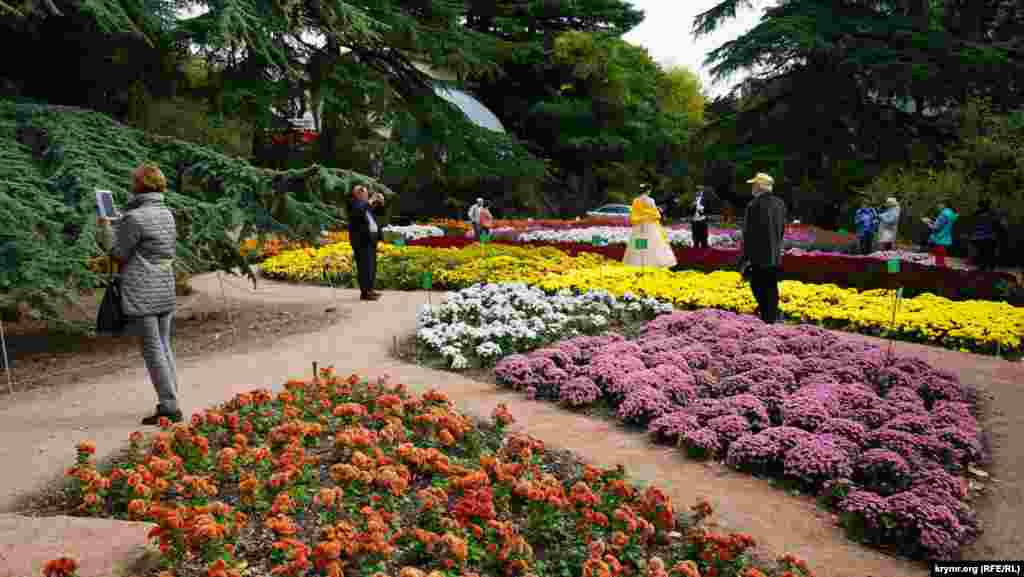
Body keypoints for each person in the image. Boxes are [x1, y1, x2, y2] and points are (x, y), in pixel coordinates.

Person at [97, 163, 181, 425]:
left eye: (134, 181)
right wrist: (122, 222)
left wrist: (106, 227)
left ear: (140, 186)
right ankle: (172, 398)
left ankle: (169, 407)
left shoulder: (134, 218)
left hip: (141, 291)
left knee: (152, 349)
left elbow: (117, 254)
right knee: (164, 345)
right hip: (164, 287)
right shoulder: (167, 214)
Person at [740, 172, 786, 324]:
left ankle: (767, 318)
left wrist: (745, 258)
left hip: (758, 255)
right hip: (775, 254)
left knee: (757, 286)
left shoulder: (753, 205)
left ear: (759, 187)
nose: (752, 188)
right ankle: (771, 316)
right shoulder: (780, 203)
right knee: (771, 286)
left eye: (754, 185)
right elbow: (782, 229)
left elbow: (748, 234)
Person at [623, 184, 677, 268]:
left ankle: (640, 262)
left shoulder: (636, 201)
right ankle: (653, 262)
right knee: (654, 243)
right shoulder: (651, 200)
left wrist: (641, 217)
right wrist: (656, 212)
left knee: (640, 243)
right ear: (648, 191)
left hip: (639, 225)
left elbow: (633, 215)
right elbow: (656, 214)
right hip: (650, 225)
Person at [348, 183, 385, 301]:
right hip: (361, 242)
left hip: (371, 240)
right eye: (366, 194)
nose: (368, 196)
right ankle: (365, 293)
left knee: (371, 266)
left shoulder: (366, 206)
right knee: (364, 267)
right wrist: (371, 201)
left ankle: (370, 290)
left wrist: (380, 202)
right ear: (359, 194)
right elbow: (359, 211)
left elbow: (379, 214)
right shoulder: (354, 205)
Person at [970, 199, 1004, 272]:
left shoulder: (976, 214)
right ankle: (990, 269)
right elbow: (998, 226)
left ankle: (982, 268)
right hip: (990, 238)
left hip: (978, 238)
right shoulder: (992, 215)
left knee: (982, 253)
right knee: (990, 254)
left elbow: (972, 225)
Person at [923, 202, 958, 267]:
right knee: (941, 260)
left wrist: (928, 223)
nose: (937, 206)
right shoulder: (951, 213)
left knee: (939, 262)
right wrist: (932, 221)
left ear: (943, 205)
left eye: (938, 205)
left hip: (940, 239)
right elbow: (945, 225)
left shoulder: (944, 214)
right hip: (946, 238)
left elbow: (936, 227)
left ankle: (940, 271)